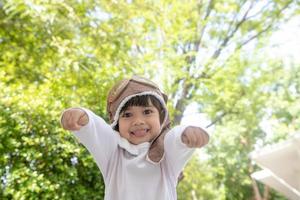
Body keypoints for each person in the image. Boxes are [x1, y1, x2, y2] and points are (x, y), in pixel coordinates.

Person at [60, 75, 209, 200]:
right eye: (127, 115)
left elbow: (174, 140)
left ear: (161, 117)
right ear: (117, 123)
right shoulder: (113, 153)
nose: (138, 121)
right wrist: (83, 118)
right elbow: (98, 131)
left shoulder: (166, 157)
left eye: (147, 112)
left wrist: (186, 134)